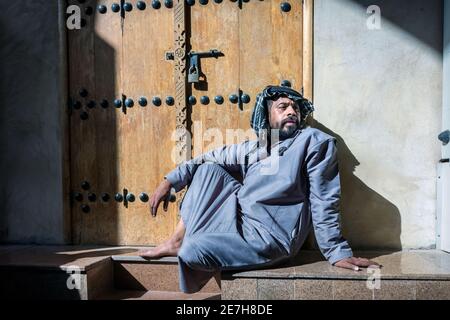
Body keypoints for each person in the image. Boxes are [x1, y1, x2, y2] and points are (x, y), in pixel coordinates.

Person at [139, 85, 380, 293]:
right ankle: (176, 240)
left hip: (270, 238)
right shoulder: (255, 149)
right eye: (282, 107)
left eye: (295, 108)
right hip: (235, 224)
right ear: (267, 114)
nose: (291, 111)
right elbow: (207, 158)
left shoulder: (313, 141)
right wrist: (169, 180)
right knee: (207, 168)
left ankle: (188, 244)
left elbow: (324, 198)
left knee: (193, 252)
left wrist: (336, 251)